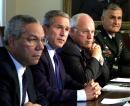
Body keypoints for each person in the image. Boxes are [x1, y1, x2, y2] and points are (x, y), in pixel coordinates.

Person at [30, 10, 101, 103]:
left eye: (67, 29)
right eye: (59, 27)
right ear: (45, 29)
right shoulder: (38, 56)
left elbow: (67, 80)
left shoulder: (55, 55)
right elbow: (45, 93)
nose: (63, 34)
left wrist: (88, 87)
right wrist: (83, 94)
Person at [0, 15, 48, 106]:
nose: (41, 47)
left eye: (43, 40)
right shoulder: (2, 70)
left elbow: (40, 98)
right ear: (12, 42)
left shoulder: (25, 64)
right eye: (33, 39)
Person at [60, 13, 110, 87]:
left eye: (92, 32)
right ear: (71, 31)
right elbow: (85, 79)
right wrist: (95, 56)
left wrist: (99, 57)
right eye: (85, 32)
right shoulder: (69, 49)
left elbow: (106, 77)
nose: (90, 37)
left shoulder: (85, 46)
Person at [95, 3, 130, 78]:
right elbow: (108, 67)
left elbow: (127, 59)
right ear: (102, 19)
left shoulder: (118, 36)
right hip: (102, 83)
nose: (116, 22)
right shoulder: (96, 37)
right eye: (112, 18)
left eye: (119, 18)